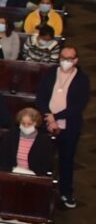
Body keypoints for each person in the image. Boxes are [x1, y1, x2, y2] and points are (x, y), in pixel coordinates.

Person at [36, 47, 89, 208]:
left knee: (66, 161)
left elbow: (78, 106)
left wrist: (56, 117)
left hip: (69, 127)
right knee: (43, 158)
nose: (65, 61)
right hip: (47, 123)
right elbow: (41, 96)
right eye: (63, 57)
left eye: (69, 58)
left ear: (75, 60)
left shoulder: (82, 79)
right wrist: (48, 116)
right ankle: (41, 191)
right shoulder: (51, 73)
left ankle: (66, 192)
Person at [0, 108, 53, 176]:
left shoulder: (44, 140)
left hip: (34, 177)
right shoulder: (10, 136)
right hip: (12, 174)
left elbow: (46, 163)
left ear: (36, 123)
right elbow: (3, 158)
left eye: (29, 124)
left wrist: (33, 174)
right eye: (23, 123)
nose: (26, 126)